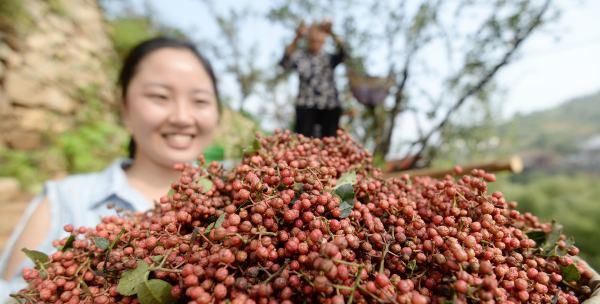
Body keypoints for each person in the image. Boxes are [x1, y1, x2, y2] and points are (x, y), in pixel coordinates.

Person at [0, 36, 221, 299]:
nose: (182, 117)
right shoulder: (64, 199)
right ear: (124, 107)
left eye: (200, 101)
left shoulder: (233, 197)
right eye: (160, 96)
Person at [280, 20, 346, 138]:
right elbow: (285, 61)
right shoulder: (300, 57)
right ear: (307, 39)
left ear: (324, 40)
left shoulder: (329, 58)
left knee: (330, 143)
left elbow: (344, 52)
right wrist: (297, 37)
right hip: (306, 106)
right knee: (302, 142)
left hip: (329, 106)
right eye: (312, 39)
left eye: (318, 39)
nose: (315, 42)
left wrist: (331, 32)